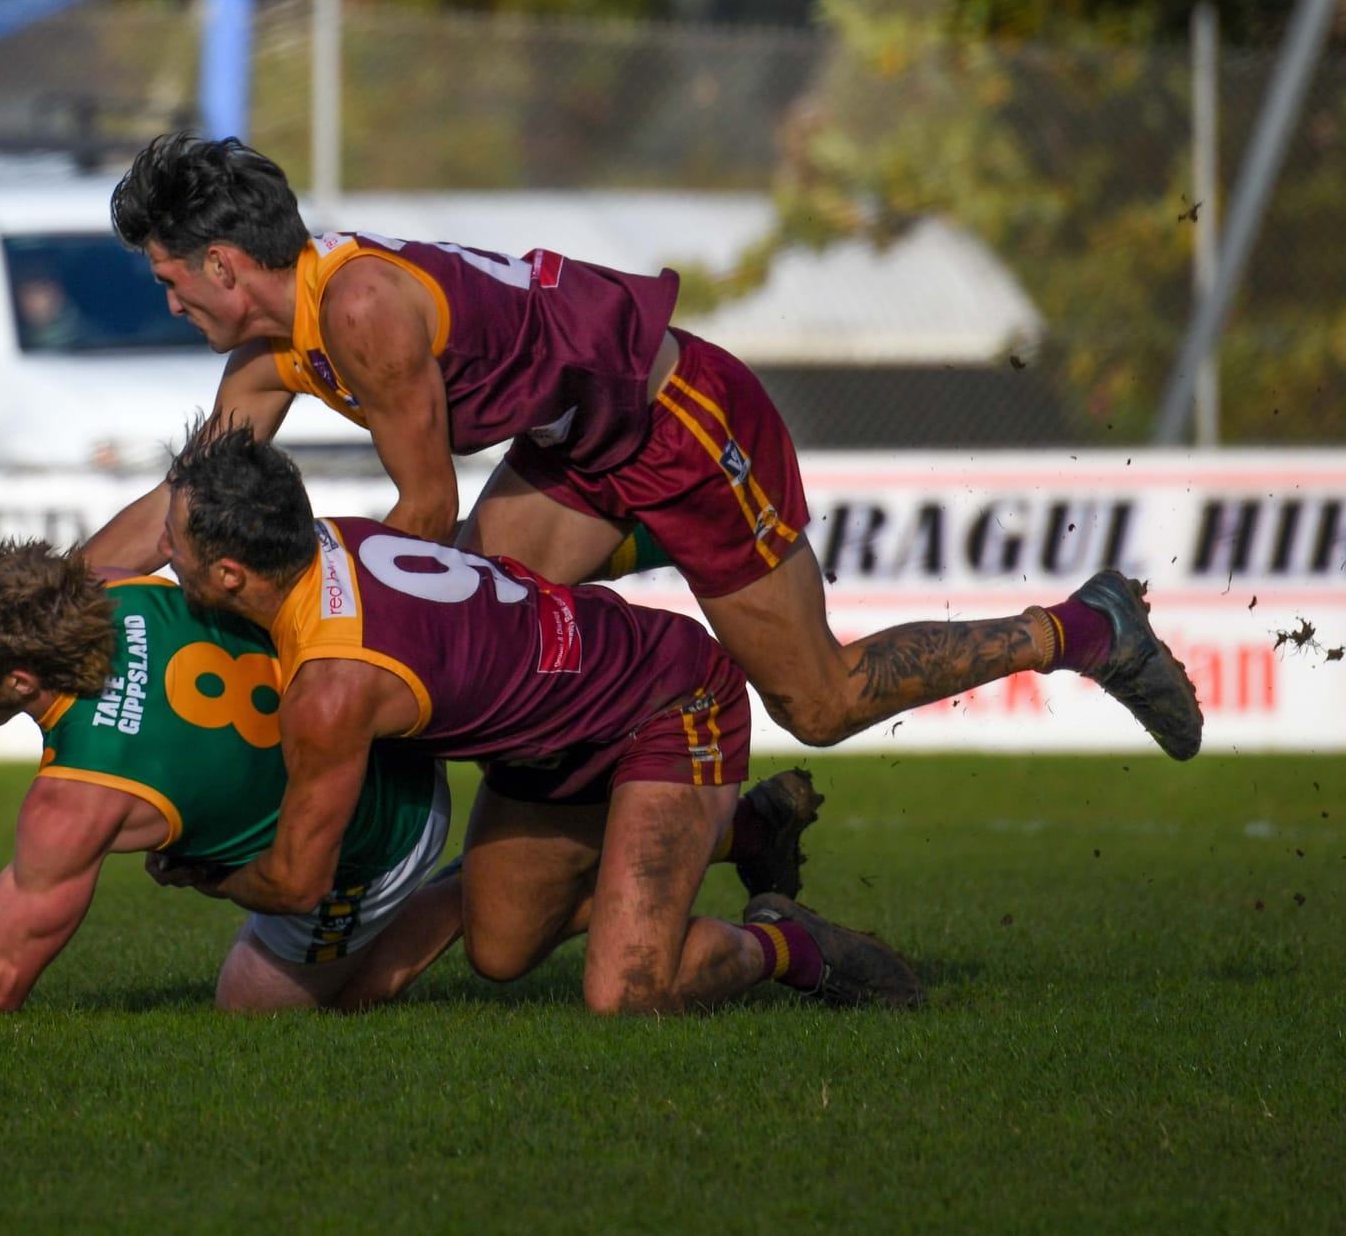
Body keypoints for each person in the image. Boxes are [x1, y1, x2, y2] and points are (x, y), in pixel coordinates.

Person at [86, 132, 1201, 764]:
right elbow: (179, 513)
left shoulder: (363, 313)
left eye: (170, 278)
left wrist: (316, 669)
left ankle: (1081, 627)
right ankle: (661, 812)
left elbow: (420, 518)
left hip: (684, 428)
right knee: (480, 643)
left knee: (815, 704)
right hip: (578, 451)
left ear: (227, 265)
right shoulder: (268, 353)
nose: (169, 300)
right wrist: (53, 595)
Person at [153, 422, 923, 1014]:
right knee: (499, 951)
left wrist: (202, 869)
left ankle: (788, 945)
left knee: (627, 995)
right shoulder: (337, 539)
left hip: (666, 703)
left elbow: (295, 883)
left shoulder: (333, 686)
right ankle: (746, 829)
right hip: (556, 744)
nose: (163, 552)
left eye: (173, 542)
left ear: (230, 573)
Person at [0, 537, 460, 1015]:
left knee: (255, 1013)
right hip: (379, 736)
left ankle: (468, 893)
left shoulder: (78, 797)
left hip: (376, 831)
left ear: (24, 677)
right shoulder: (115, 596)